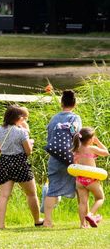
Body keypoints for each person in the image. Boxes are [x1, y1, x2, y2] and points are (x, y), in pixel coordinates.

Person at [0, 105, 43, 229]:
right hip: (20, 162)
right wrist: (30, 141)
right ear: (18, 118)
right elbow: (28, 151)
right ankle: (37, 220)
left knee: (3, 195)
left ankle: (1, 225)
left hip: (4, 162)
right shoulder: (21, 132)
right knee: (31, 194)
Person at [43, 90, 82, 227]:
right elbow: (78, 138)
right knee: (80, 189)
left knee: (53, 189)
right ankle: (83, 221)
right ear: (74, 104)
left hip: (55, 158)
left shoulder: (54, 119)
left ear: (61, 103)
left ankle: (47, 221)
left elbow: (50, 139)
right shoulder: (75, 118)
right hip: (72, 158)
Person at [71, 127, 109, 227]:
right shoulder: (92, 148)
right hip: (91, 180)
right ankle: (91, 214)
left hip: (80, 180)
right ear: (90, 139)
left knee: (82, 202)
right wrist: (98, 142)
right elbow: (106, 152)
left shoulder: (76, 149)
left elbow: (75, 163)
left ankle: (82, 224)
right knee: (100, 198)